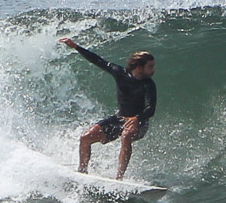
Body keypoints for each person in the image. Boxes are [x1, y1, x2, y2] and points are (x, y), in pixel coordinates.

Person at [59, 37, 157, 180]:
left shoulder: (149, 85)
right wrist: (76, 47)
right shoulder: (119, 73)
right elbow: (97, 60)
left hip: (139, 122)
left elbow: (151, 109)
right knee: (85, 138)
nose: (153, 70)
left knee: (126, 136)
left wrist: (137, 119)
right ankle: (82, 172)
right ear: (139, 67)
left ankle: (119, 178)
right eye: (150, 66)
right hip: (119, 118)